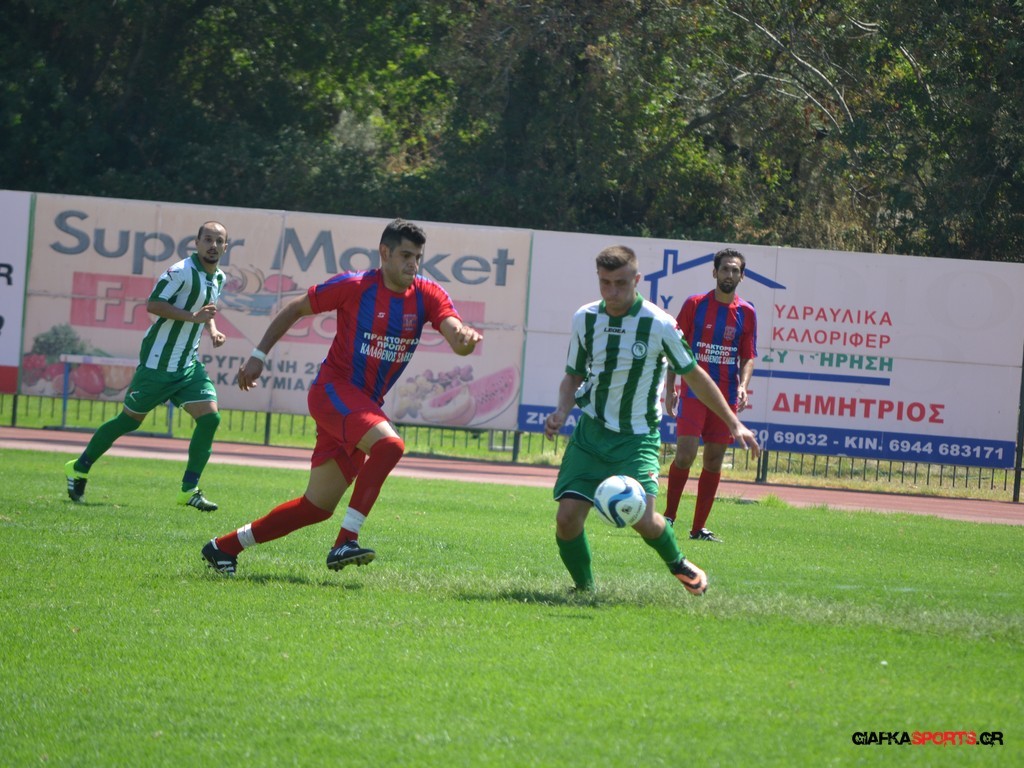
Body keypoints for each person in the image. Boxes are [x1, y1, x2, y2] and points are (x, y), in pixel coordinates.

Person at [201, 218, 482, 575]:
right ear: (384, 253)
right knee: (389, 446)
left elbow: (455, 333)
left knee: (316, 507)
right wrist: (258, 356)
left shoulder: (427, 294)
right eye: (405, 256)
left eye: (417, 257)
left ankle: (223, 548)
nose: (413, 264)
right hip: (333, 392)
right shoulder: (355, 285)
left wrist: (464, 339)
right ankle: (345, 541)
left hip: (362, 406)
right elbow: (296, 307)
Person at [543, 245, 759, 595]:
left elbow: (694, 375)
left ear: (637, 280)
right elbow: (573, 375)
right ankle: (584, 589)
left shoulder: (659, 324)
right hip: (591, 434)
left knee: (645, 522)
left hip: (637, 438)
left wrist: (733, 422)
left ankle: (679, 563)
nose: (612, 292)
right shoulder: (585, 318)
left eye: (620, 283)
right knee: (566, 519)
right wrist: (561, 411)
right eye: (605, 283)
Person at [64, 221, 229, 510]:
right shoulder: (180, 272)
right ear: (196, 242)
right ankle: (79, 467)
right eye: (207, 239)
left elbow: (206, 311)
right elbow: (153, 304)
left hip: (188, 365)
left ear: (225, 247)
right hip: (158, 363)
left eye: (219, 241)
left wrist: (212, 329)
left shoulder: (219, 277)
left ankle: (188, 490)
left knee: (210, 419)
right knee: (128, 421)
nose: (213, 245)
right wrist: (193, 317)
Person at [663, 247, 757, 542]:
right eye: (725, 269)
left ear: (741, 277)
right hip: (693, 393)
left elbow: (748, 356)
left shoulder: (747, 312)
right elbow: (674, 347)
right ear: (714, 272)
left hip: (726, 396)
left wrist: (742, 385)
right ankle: (667, 518)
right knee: (685, 455)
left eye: (735, 270)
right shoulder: (695, 305)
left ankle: (697, 529)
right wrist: (670, 387)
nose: (729, 274)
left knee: (714, 460)